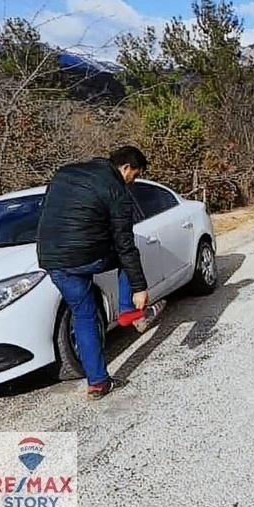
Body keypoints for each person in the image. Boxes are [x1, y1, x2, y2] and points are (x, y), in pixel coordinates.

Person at [37, 146, 165, 400]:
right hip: (87, 256)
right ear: (126, 168)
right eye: (135, 175)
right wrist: (139, 287)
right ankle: (129, 311)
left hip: (52, 258)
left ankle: (97, 383)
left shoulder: (63, 174)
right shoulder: (117, 190)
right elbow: (125, 243)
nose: (133, 181)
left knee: (83, 316)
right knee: (126, 256)